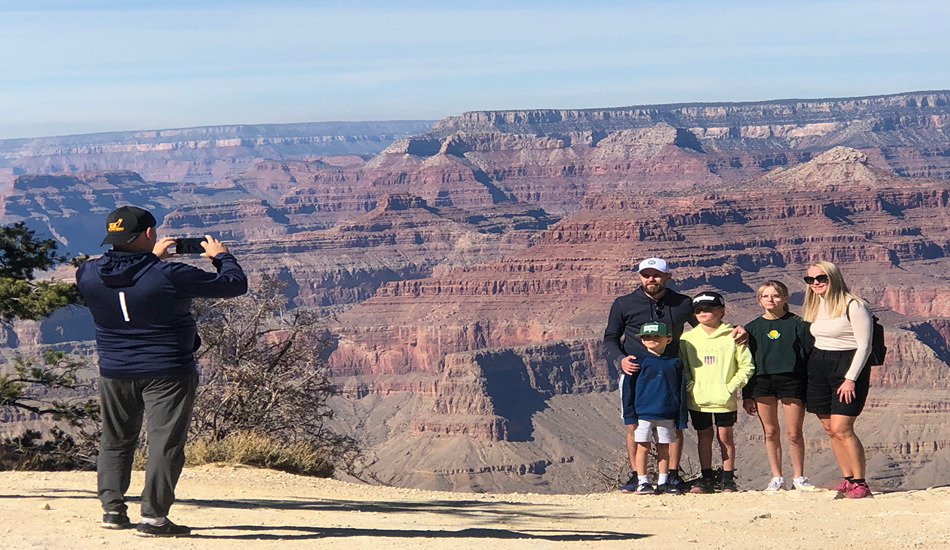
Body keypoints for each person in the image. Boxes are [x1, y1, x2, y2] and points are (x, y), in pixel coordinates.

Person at [76, 205, 248, 536]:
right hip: (167, 371)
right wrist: (221, 256)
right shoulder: (170, 275)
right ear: (149, 234)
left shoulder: (87, 272)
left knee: (115, 439)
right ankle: (153, 518)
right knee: (164, 444)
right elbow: (233, 285)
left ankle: (112, 511)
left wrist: (149, 261)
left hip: (113, 369)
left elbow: (126, 286)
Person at [603, 257, 747, 493]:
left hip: (672, 373)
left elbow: (707, 324)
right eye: (646, 274)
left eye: (657, 274)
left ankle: (671, 475)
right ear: (639, 276)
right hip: (636, 374)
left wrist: (738, 328)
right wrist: (621, 359)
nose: (651, 279)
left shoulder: (682, 303)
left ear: (667, 277)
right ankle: (637, 477)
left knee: (674, 425)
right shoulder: (623, 303)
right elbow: (610, 338)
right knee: (634, 426)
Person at [801, 261, 874, 499]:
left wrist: (850, 378)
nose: (816, 283)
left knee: (843, 427)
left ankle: (861, 483)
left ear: (833, 277)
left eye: (821, 278)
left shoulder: (854, 305)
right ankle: (848, 479)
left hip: (847, 367)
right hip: (819, 365)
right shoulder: (816, 305)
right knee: (830, 429)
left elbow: (865, 345)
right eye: (810, 280)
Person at [742, 281, 815, 491]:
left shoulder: (799, 324)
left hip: (792, 380)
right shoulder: (752, 328)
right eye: (765, 296)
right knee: (771, 431)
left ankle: (799, 477)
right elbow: (746, 362)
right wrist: (747, 394)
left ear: (785, 298)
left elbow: (808, 356)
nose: (770, 300)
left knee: (794, 432)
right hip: (762, 382)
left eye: (775, 296)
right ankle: (777, 477)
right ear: (759, 300)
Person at [679, 291, 754, 493]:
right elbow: (684, 368)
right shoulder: (687, 339)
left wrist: (730, 387)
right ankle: (706, 478)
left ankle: (728, 479)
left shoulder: (733, 335)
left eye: (708, 309)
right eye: (698, 310)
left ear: (721, 311)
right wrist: (690, 387)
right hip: (698, 399)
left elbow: (746, 366)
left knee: (725, 437)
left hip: (724, 399)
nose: (703, 313)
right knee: (704, 435)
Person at [624, 321, 688, 495]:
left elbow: (681, 390)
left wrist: (681, 418)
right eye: (647, 337)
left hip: (667, 413)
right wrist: (630, 415)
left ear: (668, 339)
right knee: (642, 446)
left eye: (656, 336)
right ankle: (642, 480)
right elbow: (628, 390)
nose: (652, 340)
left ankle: (663, 481)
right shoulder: (637, 361)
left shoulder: (675, 363)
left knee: (664, 447)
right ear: (642, 340)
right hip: (642, 413)